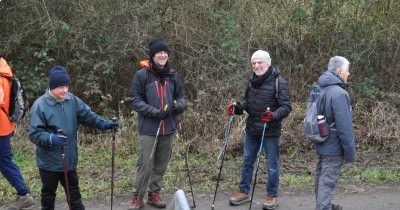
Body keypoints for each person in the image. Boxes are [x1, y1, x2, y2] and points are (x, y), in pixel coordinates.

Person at [29, 65, 119, 210]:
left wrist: (105, 125)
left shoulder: (72, 100)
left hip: (69, 160)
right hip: (49, 163)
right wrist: (51, 138)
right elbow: (34, 134)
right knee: (48, 196)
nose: (65, 90)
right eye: (60, 87)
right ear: (52, 87)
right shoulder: (40, 106)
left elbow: (89, 116)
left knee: (74, 197)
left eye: (66, 86)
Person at [228, 50, 292, 210]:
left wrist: (273, 115)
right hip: (252, 129)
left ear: (267, 63)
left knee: (272, 165)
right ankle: (243, 191)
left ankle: (272, 196)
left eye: (259, 62)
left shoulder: (279, 82)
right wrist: (237, 108)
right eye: (254, 63)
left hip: (270, 131)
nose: (256, 66)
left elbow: (286, 107)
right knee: (247, 161)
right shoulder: (252, 81)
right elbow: (247, 105)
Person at [128, 37, 187, 209]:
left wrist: (179, 107)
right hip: (148, 127)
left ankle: (154, 193)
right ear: (152, 55)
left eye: (165, 53)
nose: (162, 55)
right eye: (159, 52)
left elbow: (181, 97)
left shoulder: (173, 75)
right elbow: (135, 100)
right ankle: (137, 197)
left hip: (168, 127)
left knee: (161, 163)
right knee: (145, 163)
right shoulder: (142, 75)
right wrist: (155, 112)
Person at [313, 56, 356, 210]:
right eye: (347, 70)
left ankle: (323, 205)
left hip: (320, 140)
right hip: (333, 146)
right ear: (339, 71)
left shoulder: (319, 87)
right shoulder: (339, 94)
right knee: (328, 180)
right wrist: (350, 153)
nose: (348, 74)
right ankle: (323, 207)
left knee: (321, 176)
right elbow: (345, 128)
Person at [0, 55, 36, 209]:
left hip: (1, 126)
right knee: (5, 161)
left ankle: (24, 194)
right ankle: (24, 194)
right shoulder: (5, 73)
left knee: (5, 162)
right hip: (5, 125)